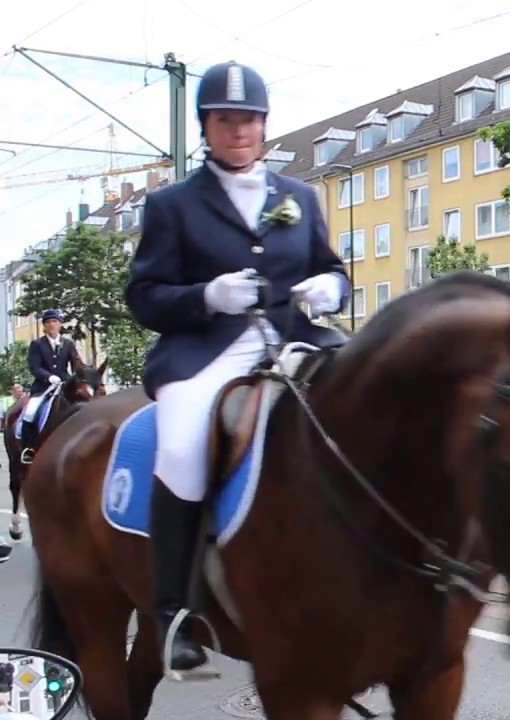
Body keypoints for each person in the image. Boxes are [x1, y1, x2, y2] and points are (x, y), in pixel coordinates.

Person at [124, 60, 351, 677]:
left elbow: (332, 267)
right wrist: (205, 296)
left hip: (294, 338)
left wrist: (332, 288)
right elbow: (144, 297)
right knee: (180, 448)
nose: (239, 130)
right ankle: (173, 615)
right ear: (206, 127)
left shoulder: (299, 196)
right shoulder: (171, 205)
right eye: (225, 120)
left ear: (264, 125)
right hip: (207, 350)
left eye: (249, 119)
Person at [18, 310, 80, 464]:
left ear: (60, 324)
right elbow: (35, 367)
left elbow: (76, 365)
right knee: (30, 412)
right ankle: (29, 448)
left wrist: (80, 376)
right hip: (43, 388)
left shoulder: (68, 344)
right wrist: (48, 377)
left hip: (64, 386)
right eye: (48, 322)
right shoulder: (37, 344)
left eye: (55, 321)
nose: (52, 325)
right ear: (44, 326)